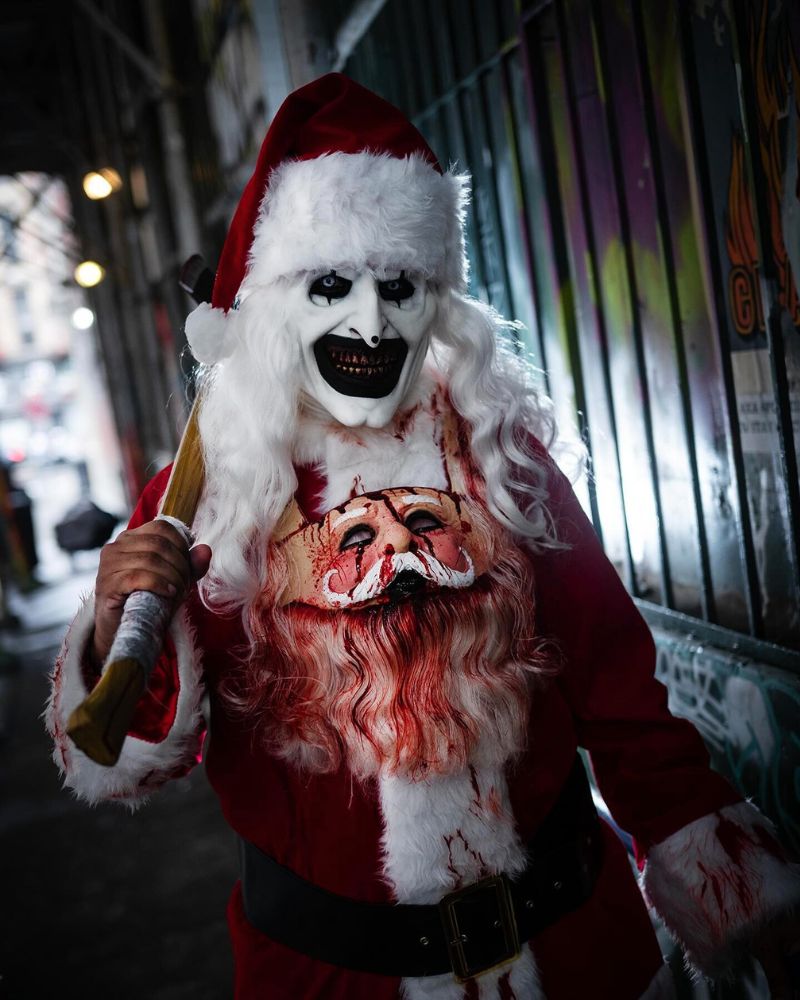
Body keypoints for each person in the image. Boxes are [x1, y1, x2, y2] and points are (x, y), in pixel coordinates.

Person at [47, 74, 800, 1000]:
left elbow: (621, 700)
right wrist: (114, 624)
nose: (370, 322)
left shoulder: (502, 460)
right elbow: (127, 759)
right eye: (332, 286)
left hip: (578, 957)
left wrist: (739, 892)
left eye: (398, 286)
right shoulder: (196, 501)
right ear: (275, 306)